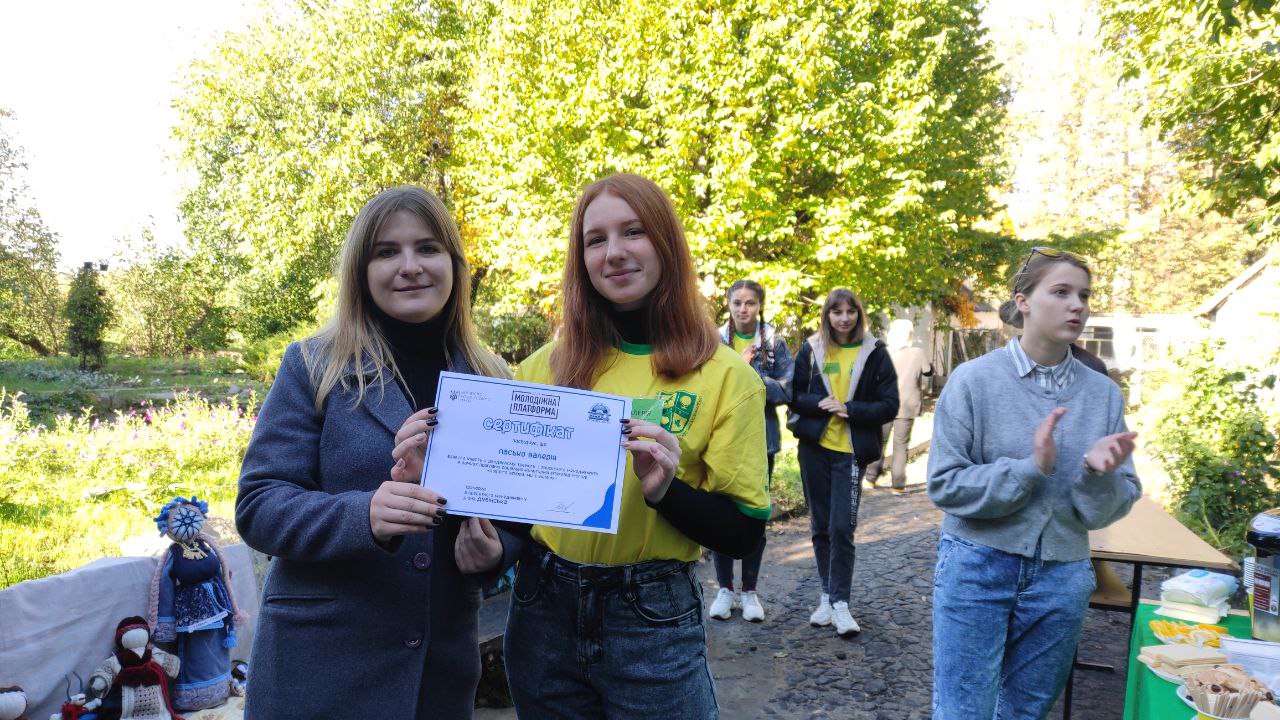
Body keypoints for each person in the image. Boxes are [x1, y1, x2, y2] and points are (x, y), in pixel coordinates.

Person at [235, 186, 518, 719]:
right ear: (361, 272)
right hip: (320, 668)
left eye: (427, 248)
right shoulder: (314, 366)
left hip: (437, 673)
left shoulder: (493, 379)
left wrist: (497, 551)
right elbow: (259, 505)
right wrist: (363, 514)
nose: (410, 266)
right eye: (387, 252)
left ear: (454, 265)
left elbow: (516, 509)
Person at [507, 173, 769, 718]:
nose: (614, 253)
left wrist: (665, 492)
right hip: (541, 612)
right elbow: (513, 508)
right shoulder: (539, 371)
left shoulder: (727, 377)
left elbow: (743, 532)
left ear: (666, 243)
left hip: (651, 617)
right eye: (595, 240)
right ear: (581, 259)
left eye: (633, 232)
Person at [927, 247, 1141, 719]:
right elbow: (944, 484)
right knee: (963, 711)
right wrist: (1029, 468)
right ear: (1022, 302)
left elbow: (1112, 505)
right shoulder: (973, 381)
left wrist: (1099, 477)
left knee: (1027, 713)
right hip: (977, 566)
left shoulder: (1103, 394)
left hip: (1063, 575)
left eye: (1084, 295)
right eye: (1061, 292)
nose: (1077, 305)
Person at [788, 288, 898, 637]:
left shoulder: (875, 351)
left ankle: (841, 603)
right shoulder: (812, 348)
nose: (844, 318)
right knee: (820, 526)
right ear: (827, 315)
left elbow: (890, 404)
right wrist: (820, 404)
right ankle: (826, 596)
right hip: (814, 449)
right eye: (837, 312)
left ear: (859, 314)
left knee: (841, 528)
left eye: (851, 311)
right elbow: (794, 395)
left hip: (850, 452)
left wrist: (849, 409)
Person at [707, 279, 793, 623]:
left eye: (750, 303)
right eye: (737, 303)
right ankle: (725, 589)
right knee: (719, 515)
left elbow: (787, 390)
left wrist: (749, 374)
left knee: (755, 514)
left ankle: (750, 592)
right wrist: (736, 368)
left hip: (760, 440)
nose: (743, 309)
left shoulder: (773, 342)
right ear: (728, 305)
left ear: (760, 306)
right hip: (720, 440)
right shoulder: (714, 340)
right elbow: (706, 388)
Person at [863, 319, 933, 494]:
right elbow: (928, 371)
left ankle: (870, 479)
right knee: (901, 445)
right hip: (907, 405)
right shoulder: (917, 353)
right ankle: (898, 486)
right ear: (910, 335)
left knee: (879, 442)